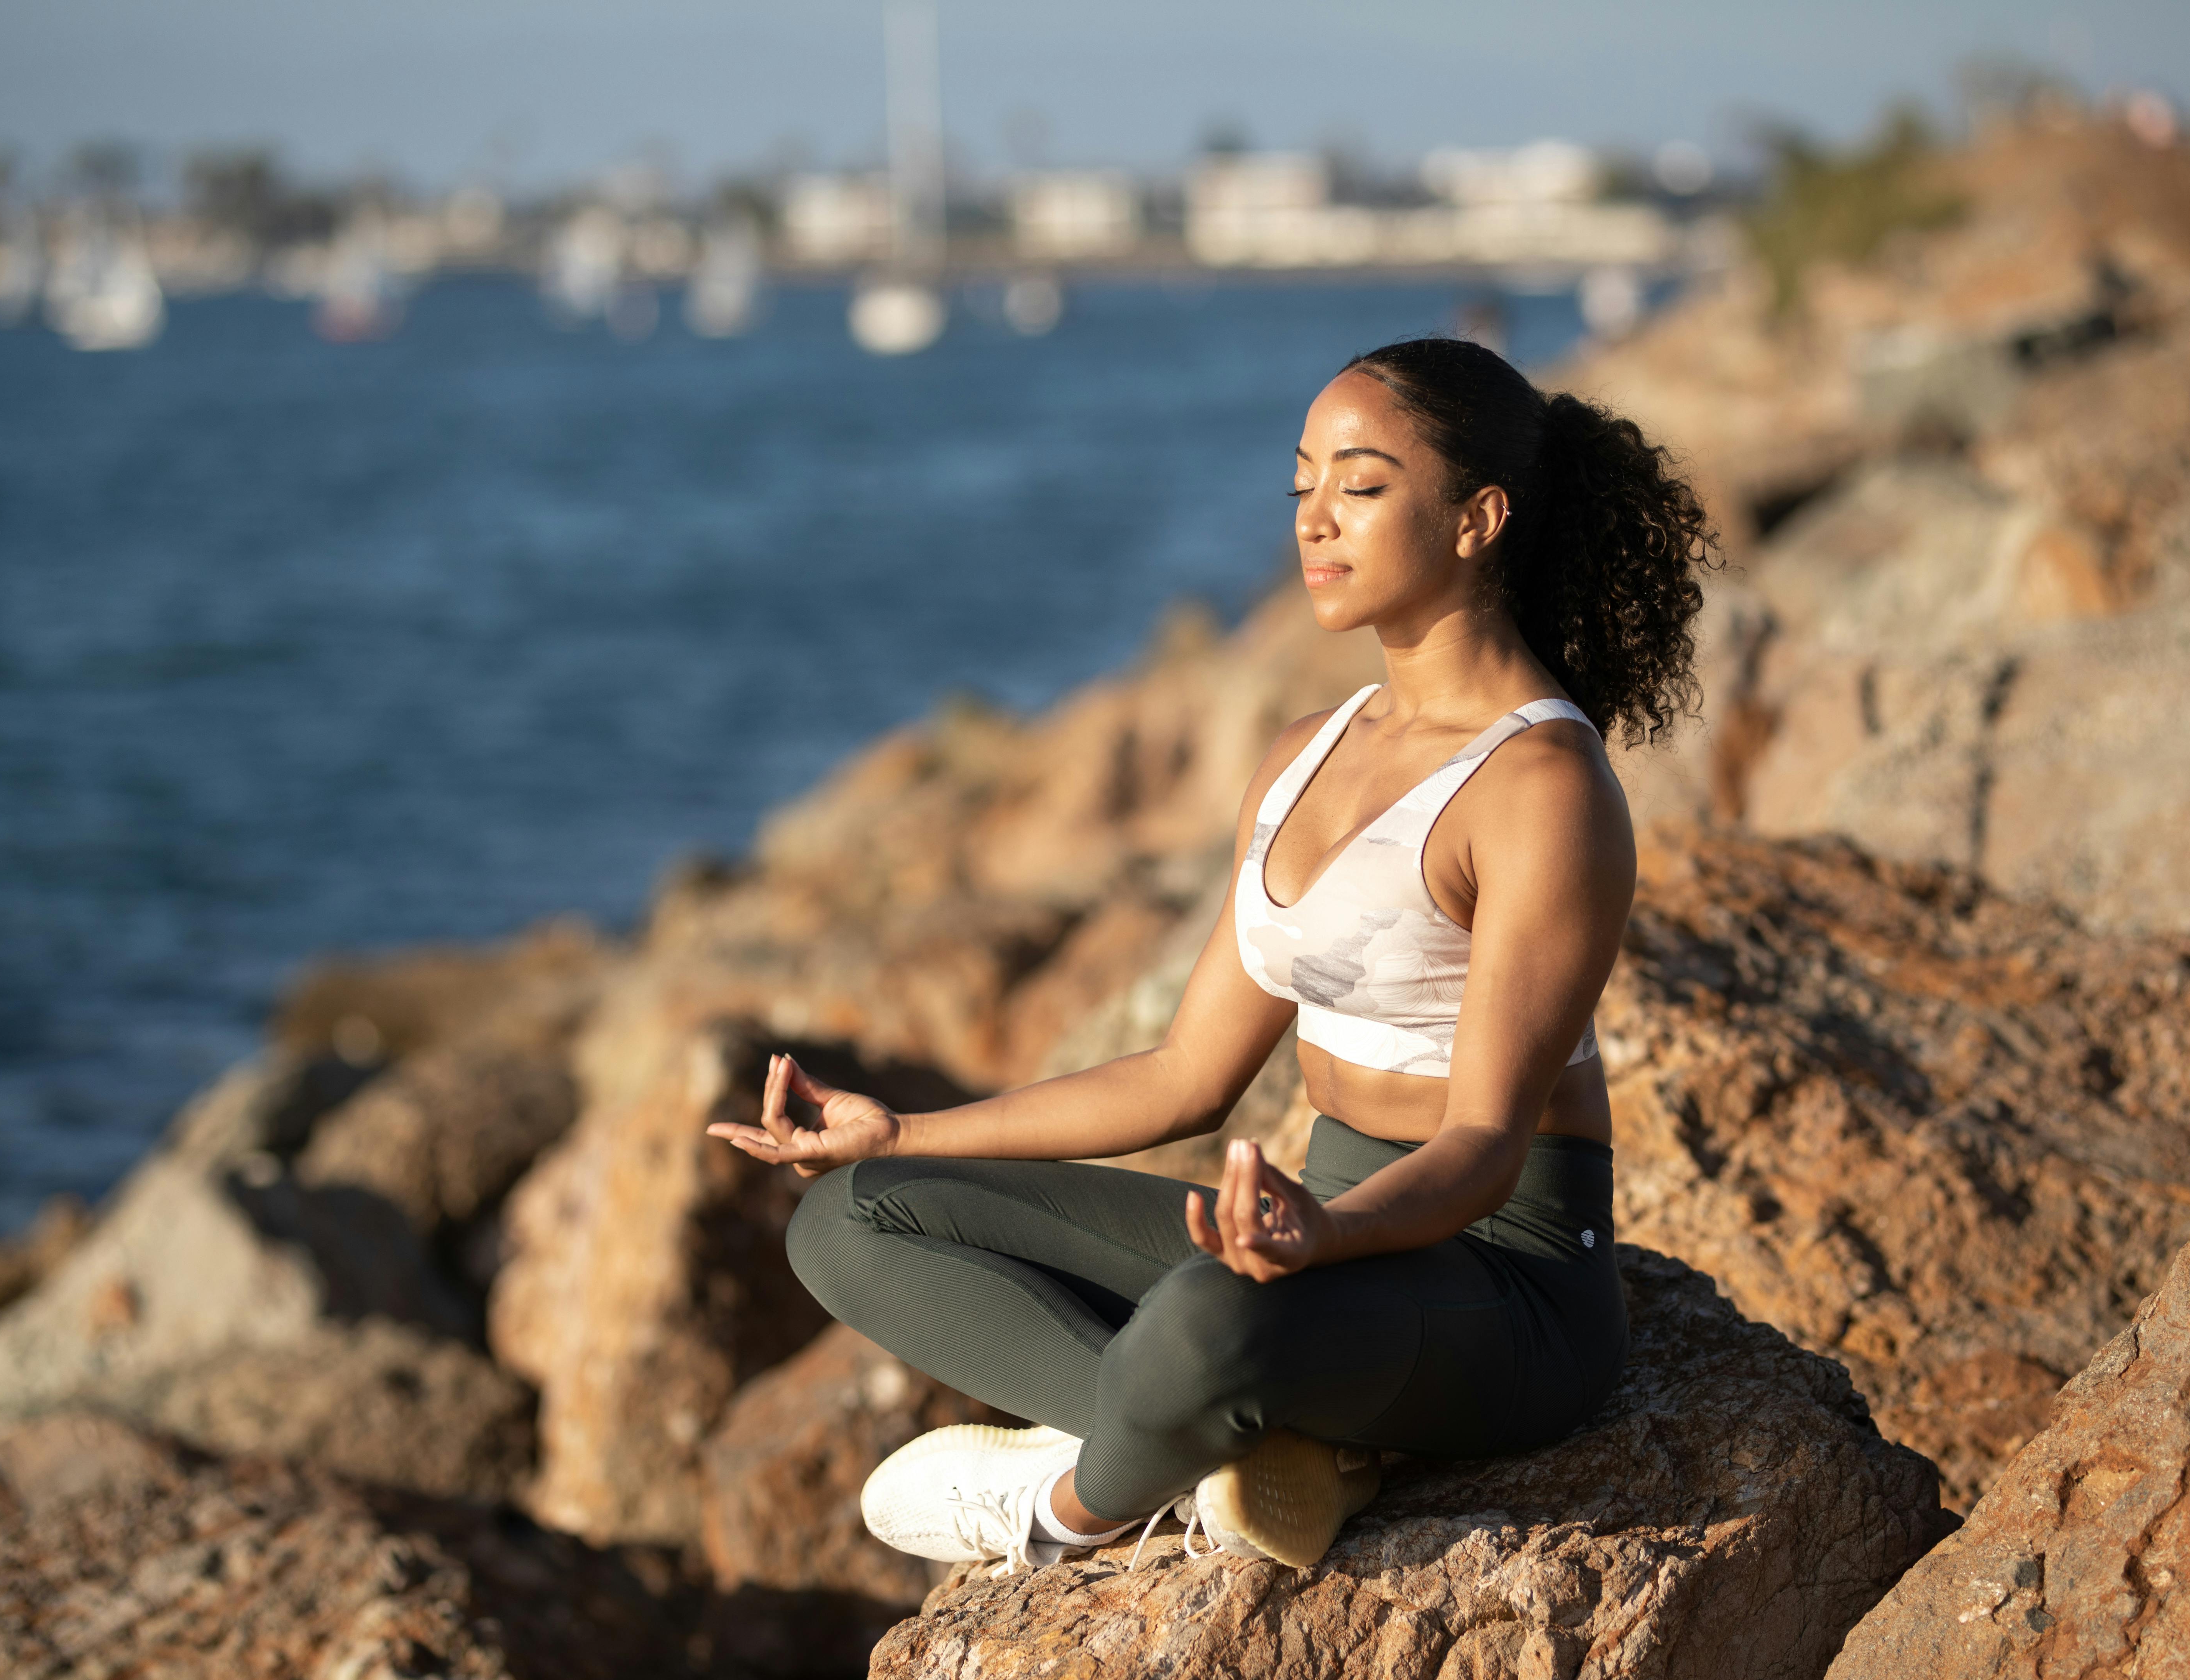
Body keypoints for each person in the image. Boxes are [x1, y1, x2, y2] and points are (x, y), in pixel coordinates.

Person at [708, 335, 1716, 1575]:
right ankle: (1249, 1450)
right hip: (1321, 1239)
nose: (1315, 522)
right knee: (849, 1218)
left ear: (1477, 519)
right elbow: (1185, 1077)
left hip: (1502, 1282)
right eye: (1301, 488)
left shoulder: (1542, 786)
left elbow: (1482, 1148)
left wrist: (1323, 1241)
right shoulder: (1306, 751)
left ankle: (1073, 1510)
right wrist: (900, 1134)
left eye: (1359, 484)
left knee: (1207, 1318)